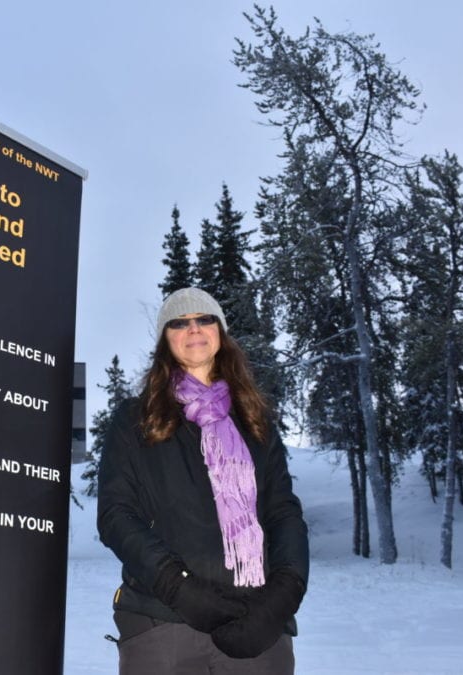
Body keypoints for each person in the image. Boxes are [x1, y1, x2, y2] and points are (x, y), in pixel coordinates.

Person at [97, 287, 309, 674]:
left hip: (256, 626)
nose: (193, 328)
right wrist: (180, 589)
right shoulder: (135, 419)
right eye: (179, 322)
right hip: (162, 620)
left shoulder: (255, 422)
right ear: (166, 339)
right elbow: (116, 515)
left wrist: (282, 596)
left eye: (204, 319)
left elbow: (283, 514)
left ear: (220, 333)